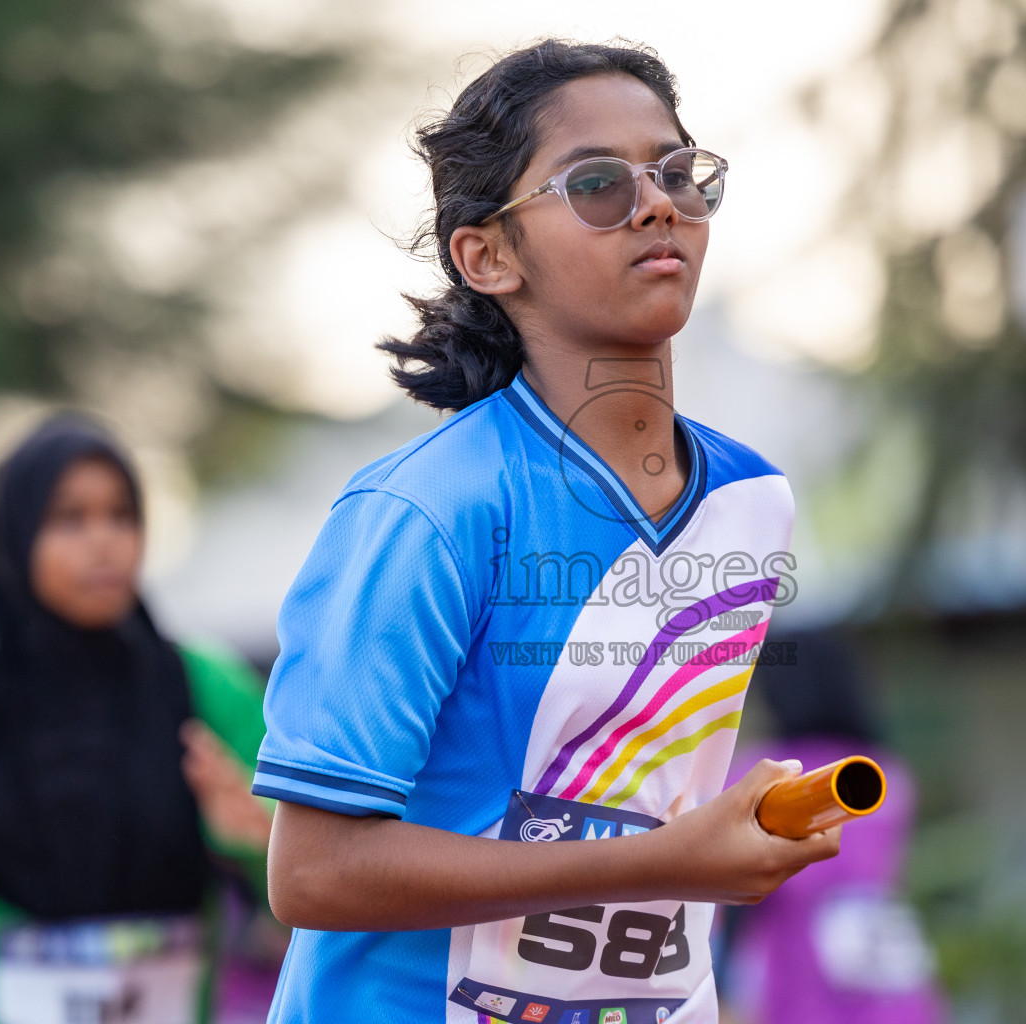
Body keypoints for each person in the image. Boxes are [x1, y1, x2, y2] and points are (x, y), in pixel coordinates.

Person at [254, 39, 839, 1024]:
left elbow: (649, 800)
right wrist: (675, 861)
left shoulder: (752, 499)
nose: (658, 204)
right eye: (597, 183)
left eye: (679, 172)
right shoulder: (427, 512)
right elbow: (313, 871)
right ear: (486, 255)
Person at [0, 415, 272, 1024]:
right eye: (69, 519)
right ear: (15, 531)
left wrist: (256, 836)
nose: (103, 542)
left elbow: (303, 868)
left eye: (122, 516)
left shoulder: (203, 688)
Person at [720, 631, 946, 1024]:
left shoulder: (763, 773)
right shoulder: (889, 776)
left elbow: (736, 891)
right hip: (890, 968)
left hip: (800, 974)